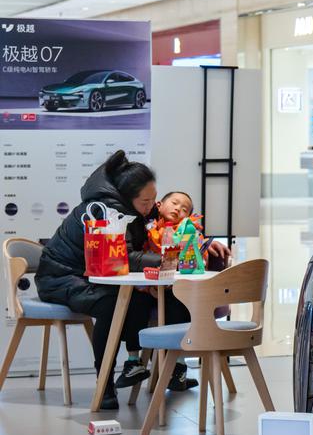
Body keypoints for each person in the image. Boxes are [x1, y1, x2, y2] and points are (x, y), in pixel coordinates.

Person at [35, 150, 229, 410]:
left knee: (150, 298)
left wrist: (204, 244)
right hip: (60, 277)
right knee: (111, 304)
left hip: (92, 277)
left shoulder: (134, 208)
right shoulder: (102, 211)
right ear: (128, 197)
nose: (151, 206)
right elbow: (122, 255)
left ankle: (153, 367)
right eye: (146, 201)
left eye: (153, 199)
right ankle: (104, 384)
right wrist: (163, 259)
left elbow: (169, 227)